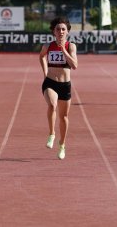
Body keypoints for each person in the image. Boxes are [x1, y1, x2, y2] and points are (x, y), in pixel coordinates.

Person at [39, 17, 78, 160]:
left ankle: (62, 144)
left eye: (63, 29)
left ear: (67, 32)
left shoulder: (71, 46)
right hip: (50, 82)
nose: (60, 31)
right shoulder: (47, 46)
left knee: (64, 117)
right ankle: (52, 134)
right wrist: (45, 73)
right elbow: (41, 57)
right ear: (53, 32)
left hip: (65, 85)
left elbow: (74, 65)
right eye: (58, 29)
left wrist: (64, 51)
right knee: (52, 105)